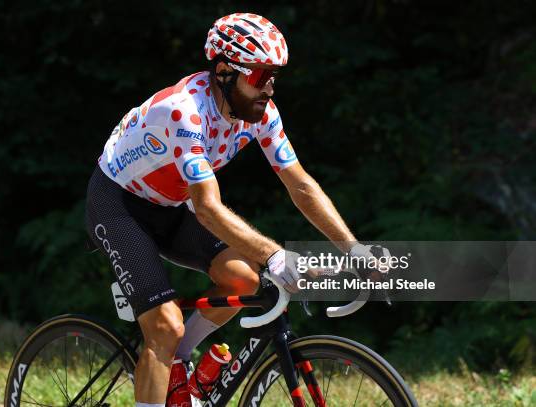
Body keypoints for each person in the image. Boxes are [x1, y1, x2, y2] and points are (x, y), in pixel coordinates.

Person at [85, 12, 389, 407]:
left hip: (171, 205)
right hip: (119, 204)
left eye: (274, 76)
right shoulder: (185, 111)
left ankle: (178, 365)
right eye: (261, 76)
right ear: (226, 72)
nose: (270, 88)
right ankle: (167, 353)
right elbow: (208, 209)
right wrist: (277, 257)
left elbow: (301, 186)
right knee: (164, 326)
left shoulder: (260, 114)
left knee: (244, 280)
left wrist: (354, 249)